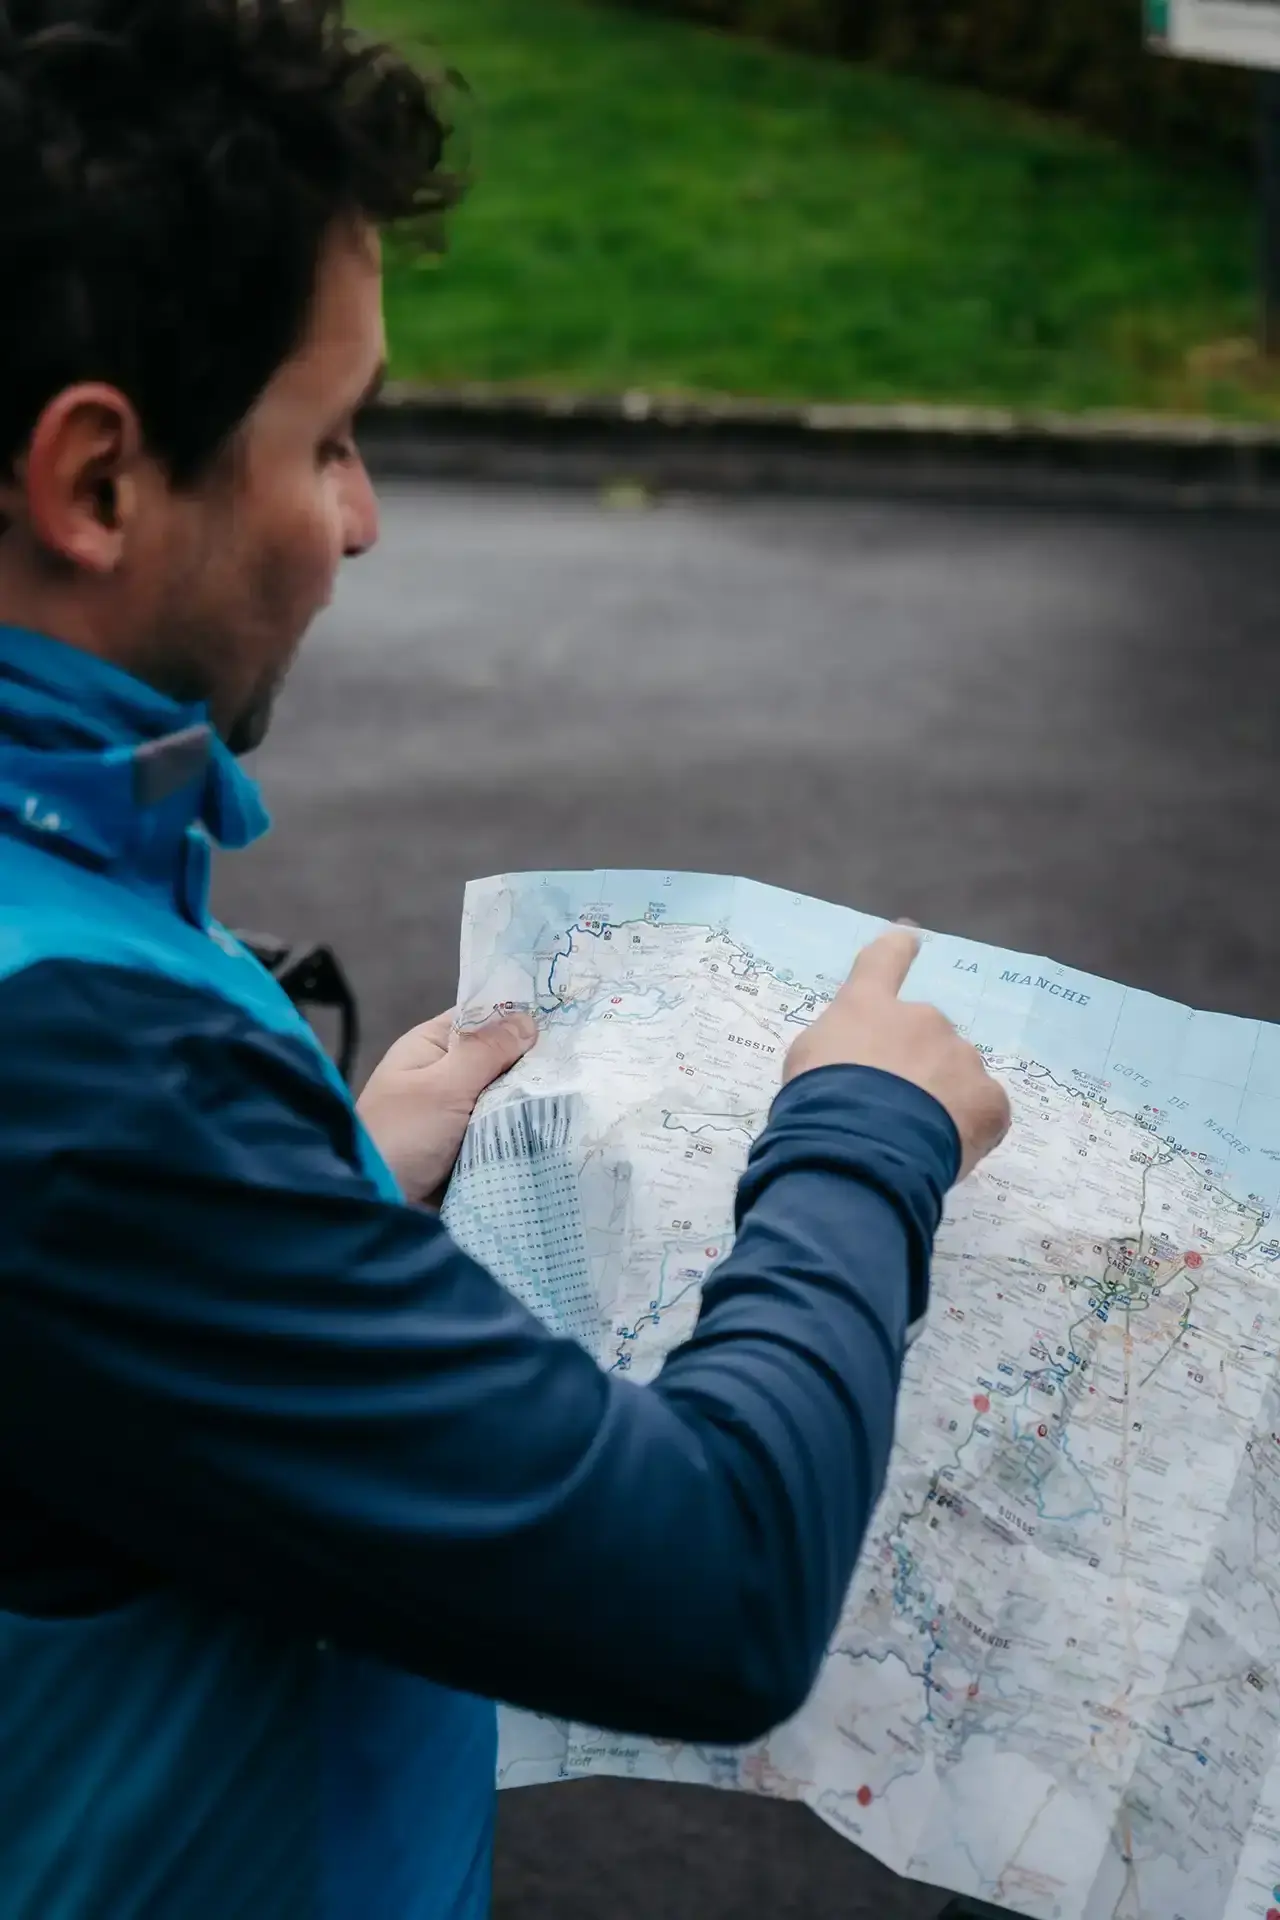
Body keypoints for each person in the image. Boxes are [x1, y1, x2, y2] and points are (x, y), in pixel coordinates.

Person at [0, 3, 1012, 1916]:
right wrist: (861, 1139)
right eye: (328, 436)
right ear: (99, 482)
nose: (360, 523)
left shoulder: (63, 912)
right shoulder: (78, 1077)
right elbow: (710, 1585)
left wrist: (322, 1188)